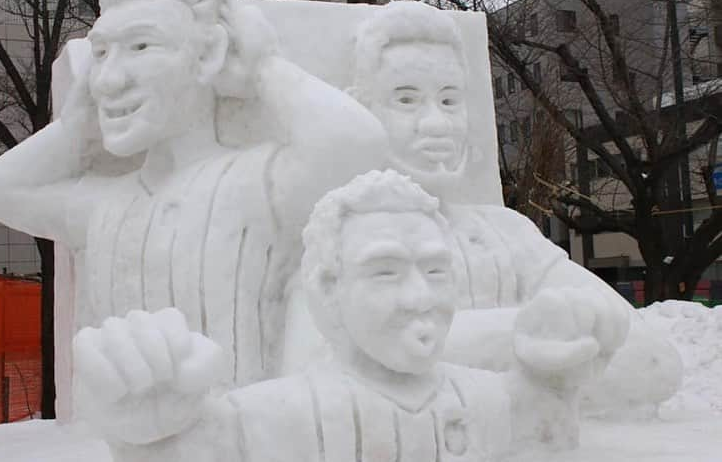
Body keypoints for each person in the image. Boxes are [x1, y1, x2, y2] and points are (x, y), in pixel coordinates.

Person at [0, 0, 386, 388]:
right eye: (101, 54)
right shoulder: (105, 205)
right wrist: (77, 125)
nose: (108, 80)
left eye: (141, 46)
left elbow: (356, 144)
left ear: (210, 54)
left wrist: (254, 62)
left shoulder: (254, 186)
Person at [72, 170, 629, 462]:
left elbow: (546, 430)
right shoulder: (272, 415)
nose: (419, 297)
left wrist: (558, 376)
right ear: (327, 290)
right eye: (385, 272)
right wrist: (140, 427)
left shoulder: (491, 398)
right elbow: (187, 446)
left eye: (436, 272)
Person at [342, 1, 681, 409]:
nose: (436, 124)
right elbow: (348, 369)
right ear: (359, 109)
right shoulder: (335, 236)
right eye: (406, 100)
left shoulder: (506, 232)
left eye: (450, 102)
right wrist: (527, 338)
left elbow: (653, 361)